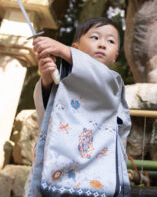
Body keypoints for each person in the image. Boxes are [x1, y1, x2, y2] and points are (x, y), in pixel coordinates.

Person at [25, 17, 131, 197]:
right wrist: (46, 81)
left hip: (98, 166)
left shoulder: (113, 82)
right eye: (95, 37)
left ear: (115, 56)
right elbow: (47, 113)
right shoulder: (63, 80)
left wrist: (62, 50)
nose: (103, 44)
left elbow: (101, 83)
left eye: (110, 41)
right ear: (76, 48)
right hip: (57, 164)